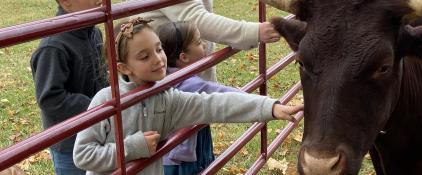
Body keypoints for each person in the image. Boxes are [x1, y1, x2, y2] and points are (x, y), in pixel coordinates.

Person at [73, 18, 303, 175]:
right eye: (144, 57)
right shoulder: (105, 101)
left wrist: (270, 107)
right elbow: (83, 155)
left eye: (158, 49)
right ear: (124, 68)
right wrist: (133, 147)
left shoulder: (167, 98)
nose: (158, 59)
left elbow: (215, 104)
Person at [156, 21, 244, 174]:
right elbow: (224, 95)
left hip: (180, 151)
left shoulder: (167, 76)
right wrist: (262, 102)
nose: (203, 44)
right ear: (184, 57)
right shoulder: (189, 85)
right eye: (198, 42)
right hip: (181, 160)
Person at [30, 0, 106, 175]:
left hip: (98, 130)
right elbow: (50, 98)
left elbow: (102, 75)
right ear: (66, 2)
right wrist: (96, 106)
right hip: (69, 144)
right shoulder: (53, 46)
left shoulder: (94, 33)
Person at [126, 0, 281, 82]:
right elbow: (197, 19)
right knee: (180, 138)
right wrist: (252, 32)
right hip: (171, 82)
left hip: (182, 75)